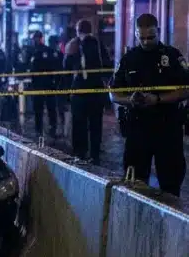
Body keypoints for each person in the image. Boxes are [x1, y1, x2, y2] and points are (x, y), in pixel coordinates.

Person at [111, 13, 189, 196]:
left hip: (168, 128)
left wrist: (159, 99)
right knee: (134, 184)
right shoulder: (128, 58)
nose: (146, 42)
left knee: (171, 185)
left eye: (151, 37)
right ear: (136, 34)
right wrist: (129, 100)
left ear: (159, 32)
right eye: (141, 37)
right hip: (138, 128)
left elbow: (186, 89)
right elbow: (113, 93)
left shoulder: (172, 56)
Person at [64, 20, 110, 164]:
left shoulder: (75, 45)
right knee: (96, 125)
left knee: (79, 124)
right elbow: (107, 64)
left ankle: (80, 153)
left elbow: (66, 67)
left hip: (80, 91)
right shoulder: (98, 44)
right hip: (97, 91)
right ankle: (94, 155)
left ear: (78, 31)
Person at [26, 31, 60, 138]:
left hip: (48, 84)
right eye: (35, 38)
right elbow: (28, 66)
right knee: (38, 109)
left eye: (38, 38)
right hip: (37, 84)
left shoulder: (48, 50)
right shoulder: (30, 51)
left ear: (41, 38)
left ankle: (52, 128)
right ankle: (39, 130)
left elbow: (54, 66)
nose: (36, 40)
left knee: (51, 108)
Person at [48, 35, 69, 129]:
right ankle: (56, 126)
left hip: (58, 83)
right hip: (53, 83)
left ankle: (59, 126)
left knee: (59, 106)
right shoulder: (50, 53)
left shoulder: (59, 54)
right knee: (54, 106)